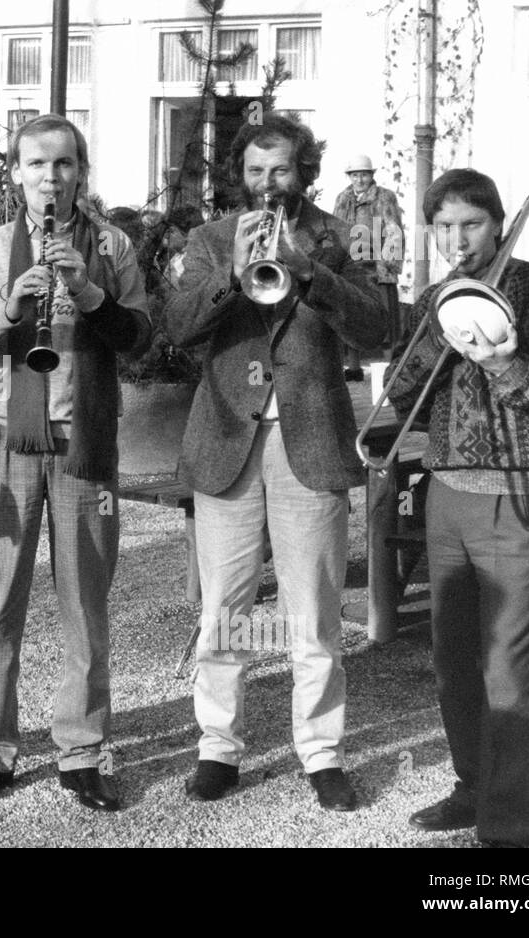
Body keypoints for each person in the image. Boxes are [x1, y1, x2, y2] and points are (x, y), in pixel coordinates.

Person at [165, 113, 387, 811]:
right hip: (227, 438)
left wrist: (309, 272)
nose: (268, 183)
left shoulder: (336, 237)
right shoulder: (208, 239)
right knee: (223, 609)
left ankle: (321, 752)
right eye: (256, 172)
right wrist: (230, 278)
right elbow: (176, 330)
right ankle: (217, 749)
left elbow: (381, 326)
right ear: (242, 175)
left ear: (304, 172)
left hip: (311, 440)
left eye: (281, 170)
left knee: (314, 610)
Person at [0, 114, 152, 812]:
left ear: (80, 173)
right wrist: (6, 309)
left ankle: (83, 751)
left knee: (86, 603)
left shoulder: (113, 245)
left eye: (62, 165)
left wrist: (88, 293)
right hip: (4, 438)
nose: (49, 179)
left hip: (85, 438)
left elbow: (142, 338)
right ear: (15, 173)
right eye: (36, 165)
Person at [389, 169, 529, 848]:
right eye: (443, 227)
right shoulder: (437, 295)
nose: (456, 238)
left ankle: (505, 821)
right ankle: (472, 786)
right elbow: (403, 393)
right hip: (449, 495)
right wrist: (437, 334)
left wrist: (504, 363)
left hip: (519, 492)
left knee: (506, 663)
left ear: (496, 223)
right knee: (452, 656)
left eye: (470, 224)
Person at [333, 153, 406, 361]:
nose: (359, 180)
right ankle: (353, 367)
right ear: (350, 177)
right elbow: (336, 230)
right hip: (351, 266)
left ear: (371, 176)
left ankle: (390, 363)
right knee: (352, 316)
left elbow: (394, 231)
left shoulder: (384, 197)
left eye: (363, 175)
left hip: (378, 266)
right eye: (355, 175)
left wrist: (386, 264)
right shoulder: (343, 199)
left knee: (385, 317)